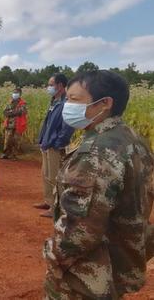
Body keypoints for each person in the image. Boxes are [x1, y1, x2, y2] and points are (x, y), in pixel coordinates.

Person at [43, 70, 154, 299]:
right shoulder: (131, 138)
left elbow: (80, 233)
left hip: (86, 278)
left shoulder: (96, 152)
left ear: (104, 104)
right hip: (118, 264)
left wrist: (52, 256)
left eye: (74, 99)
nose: (67, 105)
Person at [35, 73, 74, 218]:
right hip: (47, 144)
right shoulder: (54, 101)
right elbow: (48, 124)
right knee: (45, 175)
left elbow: (67, 128)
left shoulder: (66, 103)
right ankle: (48, 201)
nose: (48, 87)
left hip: (54, 146)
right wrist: (42, 141)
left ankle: (56, 207)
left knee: (54, 177)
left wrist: (57, 143)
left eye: (51, 84)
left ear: (60, 86)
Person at [0, 87, 27, 160]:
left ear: (20, 94)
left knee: (16, 141)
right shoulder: (9, 102)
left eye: (16, 93)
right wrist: (14, 112)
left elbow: (21, 112)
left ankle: (14, 155)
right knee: (7, 140)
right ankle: (5, 154)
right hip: (9, 124)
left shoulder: (23, 103)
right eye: (14, 92)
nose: (15, 94)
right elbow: (5, 112)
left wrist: (11, 112)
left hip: (18, 125)